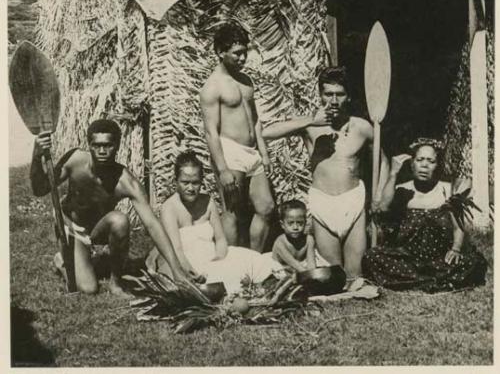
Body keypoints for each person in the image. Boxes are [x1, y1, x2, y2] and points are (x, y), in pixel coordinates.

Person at [30, 119, 191, 296]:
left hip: (98, 229)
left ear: (118, 146)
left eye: (108, 145)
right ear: (89, 145)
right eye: (96, 145)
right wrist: (37, 155)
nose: (102, 151)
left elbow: (152, 225)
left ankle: (116, 282)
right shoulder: (75, 161)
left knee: (120, 220)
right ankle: (63, 259)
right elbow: (40, 189)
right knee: (89, 288)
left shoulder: (126, 182)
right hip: (71, 227)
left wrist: (177, 271)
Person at [263, 66, 389, 286]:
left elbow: (384, 160)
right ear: (320, 95)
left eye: (339, 94)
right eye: (327, 94)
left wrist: (378, 194)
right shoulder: (310, 125)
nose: (333, 100)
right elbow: (267, 133)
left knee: (354, 277)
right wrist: (311, 120)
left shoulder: (362, 127)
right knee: (333, 278)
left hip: (353, 203)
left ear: (348, 96)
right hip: (323, 203)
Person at [362, 138, 487, 292]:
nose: (424, 165)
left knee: (473, 262)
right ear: (412, 163)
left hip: (439, 257)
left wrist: (455, 249)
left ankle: (414, 281)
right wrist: (393, 173)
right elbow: (383, 208)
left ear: (438, 165)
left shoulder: (448, 190)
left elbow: (458, 226)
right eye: (420, 159)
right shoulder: (402, 190)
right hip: (408, 256)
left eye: (431, 161)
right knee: (372, 257)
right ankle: (434, 281)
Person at [146, 151, 275, 293]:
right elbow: (177, 249)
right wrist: (190, 270)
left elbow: (220, 239)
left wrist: (219, 258)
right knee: (221, 279)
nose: (190, 188)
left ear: (202, 181)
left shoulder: (208, 202)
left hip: (212, 256)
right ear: (175, 181)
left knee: (254, 261)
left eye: (195, 183)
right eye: (185, 183)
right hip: (185, 262)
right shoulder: (169, 208)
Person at [200, 22, 274, 251]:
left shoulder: (246, 81)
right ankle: (231, 267)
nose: (243, 59)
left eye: (245, 53)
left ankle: (252, 262)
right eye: (237, 54)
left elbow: (255, 120)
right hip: (230, 151)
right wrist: (222, 169)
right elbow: (211, 131)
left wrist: (263, 151)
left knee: (267, 208)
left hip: (252, 152)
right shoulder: (212, 87)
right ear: (221, 52)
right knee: (232, 211)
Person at [272, 199, 327, 273]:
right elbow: (293, 264)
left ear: (305, 222)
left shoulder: (309, 240)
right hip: (283, 270)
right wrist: (309, 275)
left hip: (301, 270)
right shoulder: (280, 242)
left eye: (300, 223)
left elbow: (311, 263)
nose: (295, 227)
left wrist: (312, 273)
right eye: (290, 223)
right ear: (282, 225)